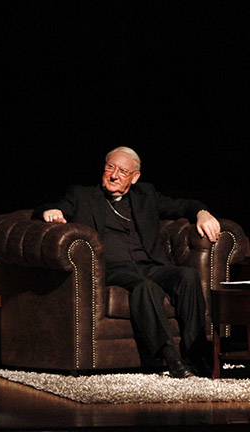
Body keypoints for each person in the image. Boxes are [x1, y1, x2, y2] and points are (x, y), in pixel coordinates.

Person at [33, 146, 220, 378]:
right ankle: (171, 357)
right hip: (112, 268)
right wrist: (49, 211)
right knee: (145, 288)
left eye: (122, 171)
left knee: (187, 276)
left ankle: (196, 353)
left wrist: (203, 212)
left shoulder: (146, 195)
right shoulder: (82, 195)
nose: (113, 175)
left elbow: (183, 205)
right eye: (110, 167)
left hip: (149, 264)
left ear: (135, 177)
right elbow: (52, 207)